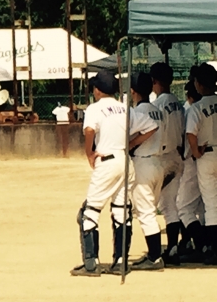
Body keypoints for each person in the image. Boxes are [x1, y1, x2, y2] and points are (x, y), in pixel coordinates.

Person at [71, 71, 158, 277]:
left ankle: (91, 263)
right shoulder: (124, 108)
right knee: (121, 210)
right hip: (124, 160)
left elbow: (89, 130)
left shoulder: (94, 108)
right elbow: (152, 126)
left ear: (98, 90)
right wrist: (131, 143)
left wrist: (89, 152)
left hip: (107, 160)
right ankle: (120, 261)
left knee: (90, 211)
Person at [127, 73, 165, 271]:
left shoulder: (137, 112)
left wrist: (132, 143)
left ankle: (155, 257)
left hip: (143, 163)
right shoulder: (158, 110)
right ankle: (154, 254)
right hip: (159, 161)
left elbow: (129, 137)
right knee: (150, 209)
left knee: (146, 213)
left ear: (133, 91)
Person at [150, 62, 185, 262]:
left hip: (163, 158)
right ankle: (173, 247)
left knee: (162, 204)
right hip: (177, 156)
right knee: (172, 204)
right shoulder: (177, 103)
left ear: (154, 81)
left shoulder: (158, 104)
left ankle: (162, 250)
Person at [185, 63, 217, 264]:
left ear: (199, 84)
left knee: (211, 203)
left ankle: (213, 249)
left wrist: (196, 152)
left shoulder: (196, 107)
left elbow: (191, 133)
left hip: (207, 155)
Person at [175, 76, 205, 263]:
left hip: (192, 161)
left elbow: (187, 142)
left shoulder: (191, 111)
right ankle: (204, 244)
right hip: (205, 158)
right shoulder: (203, 110)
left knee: (183, 208)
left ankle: (201, 244)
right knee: (203, 206)